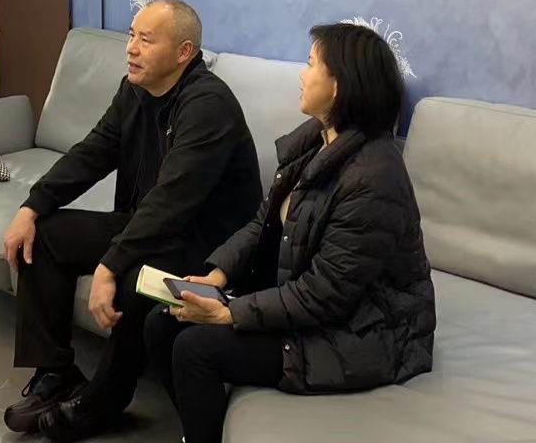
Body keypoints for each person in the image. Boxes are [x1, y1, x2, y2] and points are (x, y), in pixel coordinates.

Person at [145, 22, 437, 443]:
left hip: (363, 332)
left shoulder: (374, 177)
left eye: (311, 64)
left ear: (340, 86)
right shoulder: (315, 142)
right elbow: (262, 223)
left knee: (196, 349)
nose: (302, 74)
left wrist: (229, 314)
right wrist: (217, 277)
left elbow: (326, 294)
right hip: (309, 303)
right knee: (161, 323)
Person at [1, 0, 264, 440]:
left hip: (204, 246)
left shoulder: (208, 106)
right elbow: (92, 152)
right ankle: (55, 374)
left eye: (146, 39)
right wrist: (32, 206)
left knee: (134, 280)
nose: (131, 48)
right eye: (131, 35)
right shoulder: (135, 90)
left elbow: (172, 201)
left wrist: (110, 265)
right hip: (146, 226)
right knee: (43, 236)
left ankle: (103, 402)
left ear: (183, 52)